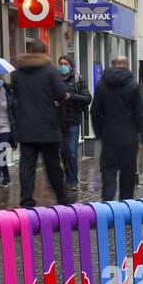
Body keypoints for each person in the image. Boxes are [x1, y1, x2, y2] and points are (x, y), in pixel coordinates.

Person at [12, 39, 70, 208]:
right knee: (53, 165)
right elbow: (60, 93)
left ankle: (26, 201)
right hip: (47, 127)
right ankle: (62, 198)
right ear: (44, 53)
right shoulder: (50, 71)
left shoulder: (17, 74)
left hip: (26, 128)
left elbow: (17, 95)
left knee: (27, 166)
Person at [89, 56, 143, 201]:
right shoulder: (133, 85)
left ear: (112, 65)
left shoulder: (102, 85)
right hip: (129, 138)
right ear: (127, 66)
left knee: (108, 172)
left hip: (109, 137)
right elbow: (140, 114)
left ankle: (108, 206)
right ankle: (125, 207)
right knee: (128, 174)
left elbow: (95, 112)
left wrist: (100, 133)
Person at [57, 54, 91, 193]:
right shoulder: (55, 80)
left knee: (71, 152)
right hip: (58, 122)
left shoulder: (78, 79)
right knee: (63, 152)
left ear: (71, 66)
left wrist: (71, 96)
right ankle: (67, 175)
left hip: (73, 122)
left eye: (65, 64)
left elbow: (87, 98)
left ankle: (72, 181)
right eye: (61, 64)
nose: (63, 66)